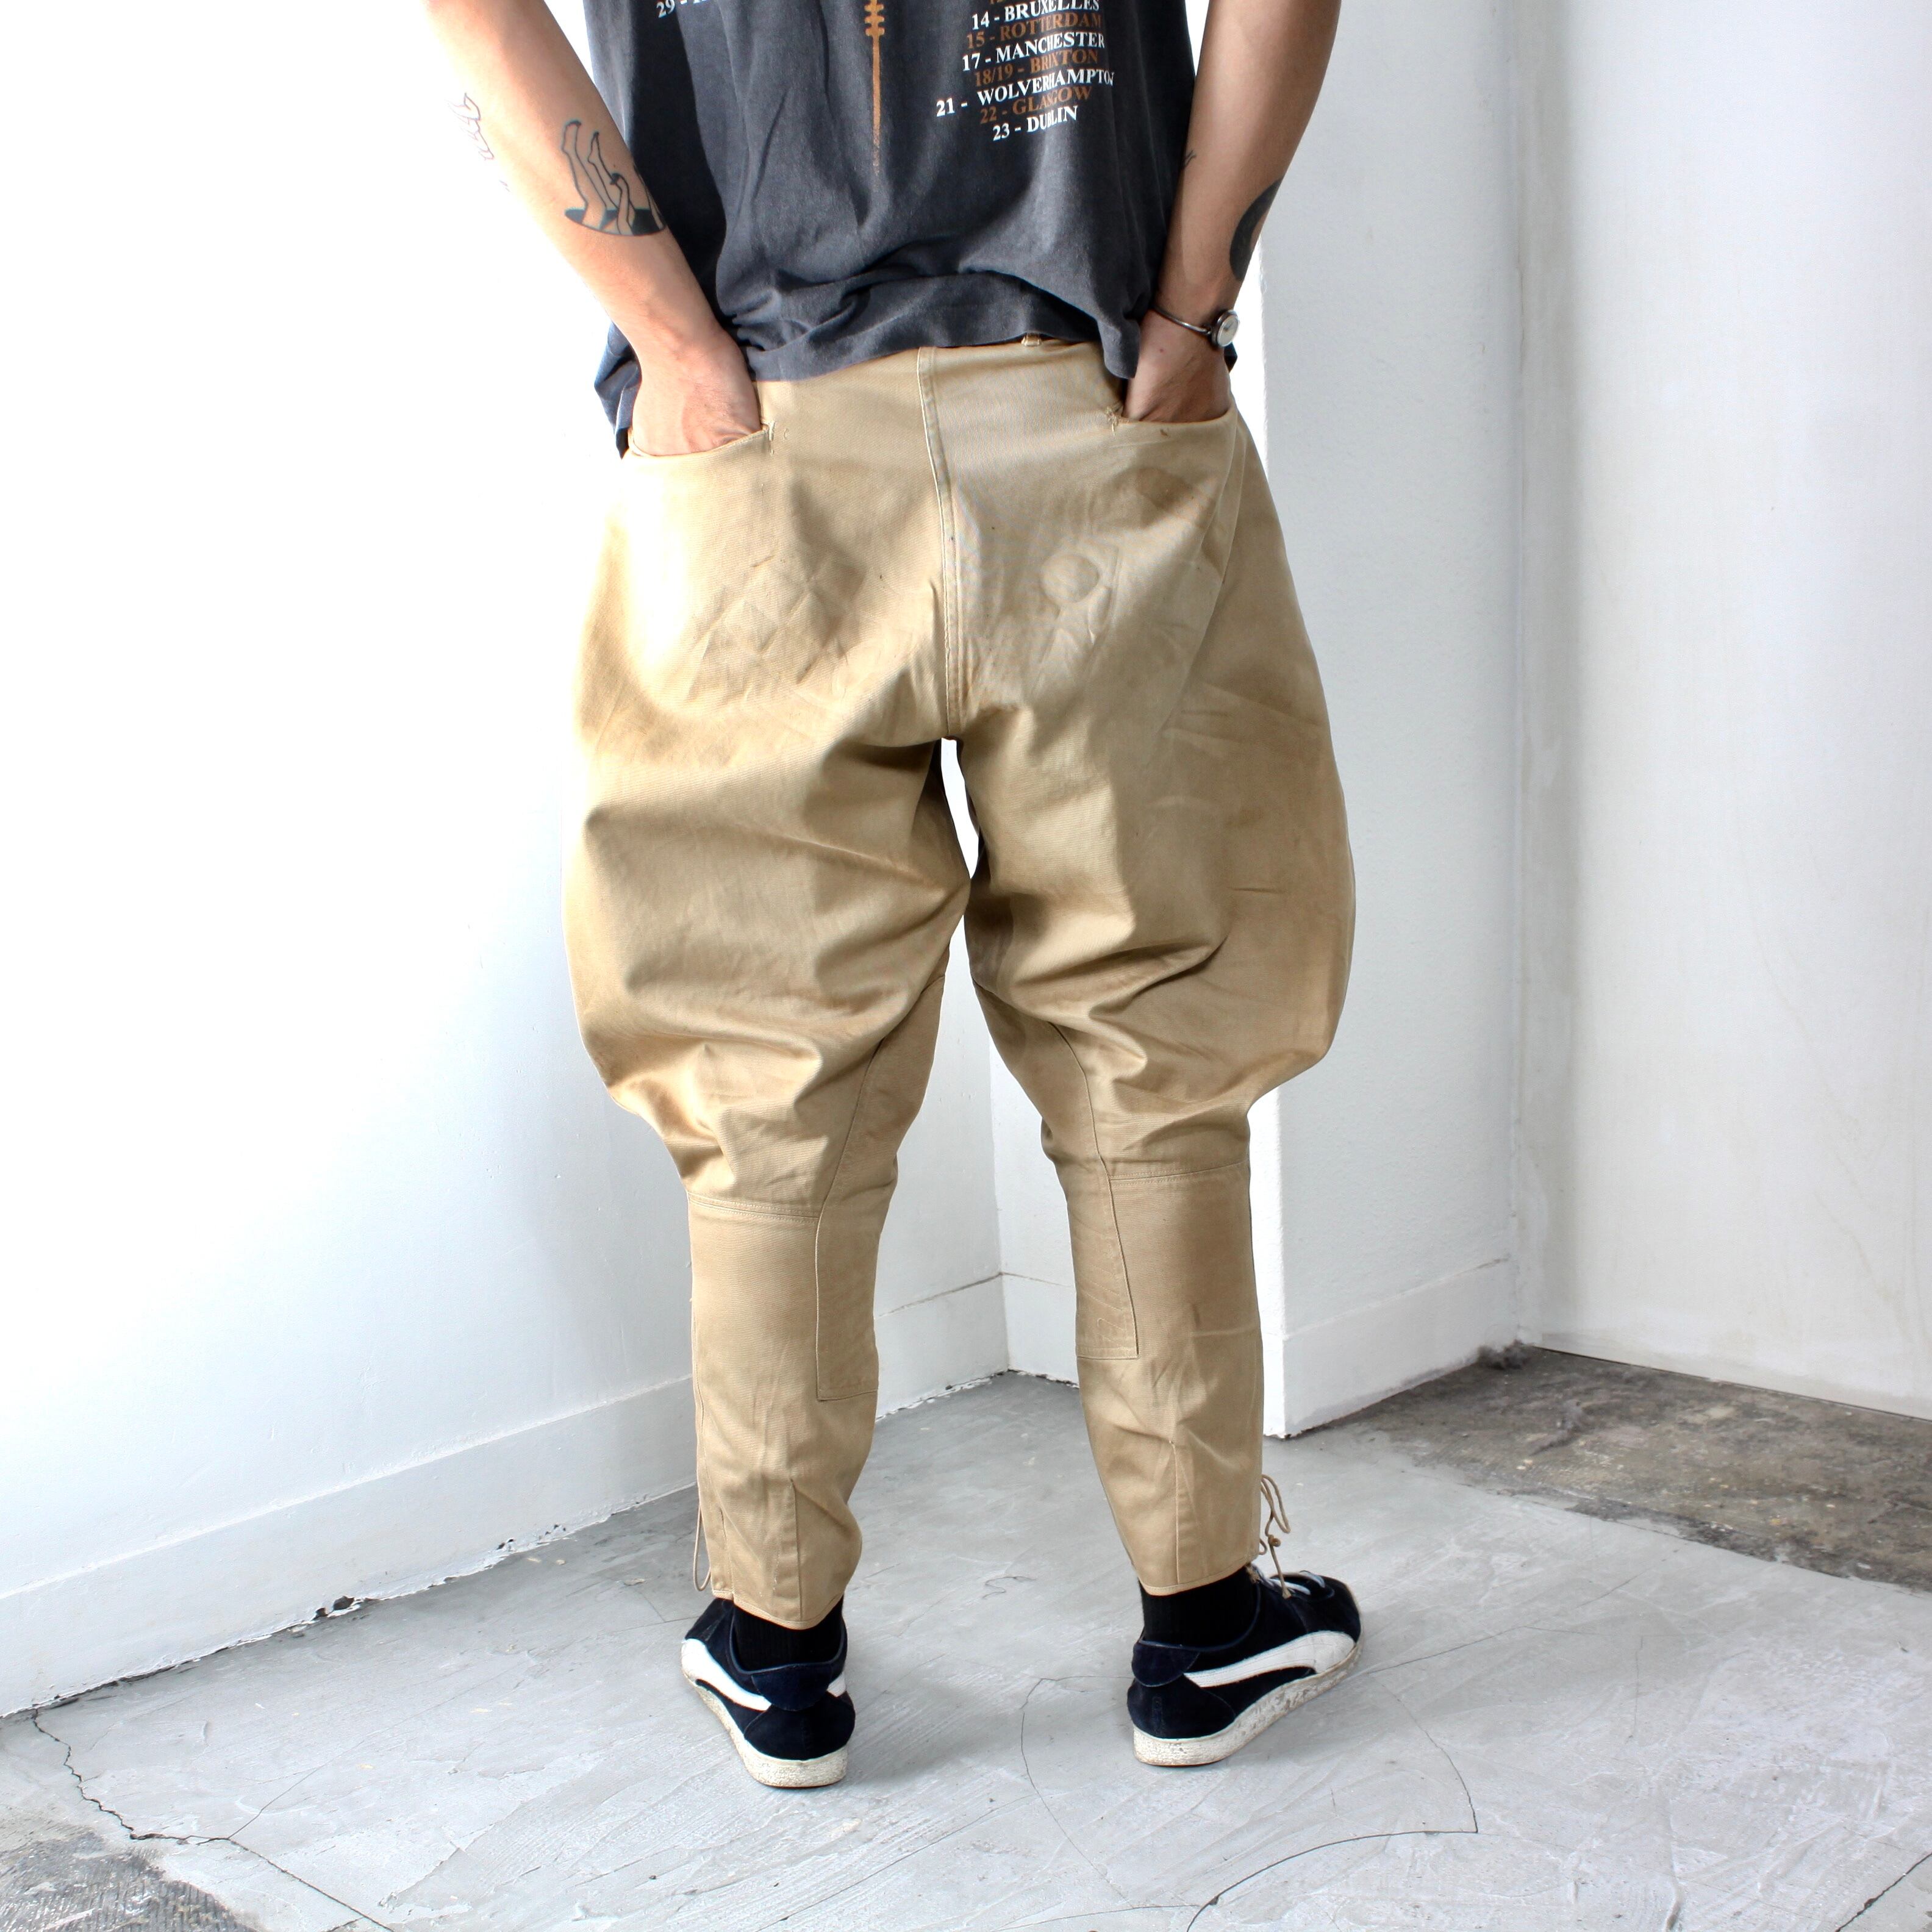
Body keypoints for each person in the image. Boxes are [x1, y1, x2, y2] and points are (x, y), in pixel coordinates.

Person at [423, 0, 1358, 1787]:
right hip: (1088, 405)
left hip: (753, 441)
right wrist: (1187, 318)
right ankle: (1205, 1620)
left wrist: (677, 350)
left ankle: (775, 1641)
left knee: (763, 1067)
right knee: (1152, 1029)